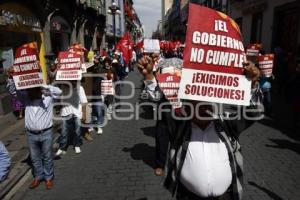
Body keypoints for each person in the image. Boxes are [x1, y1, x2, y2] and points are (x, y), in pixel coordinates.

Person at [137, 57, 262, 200]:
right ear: (187, 107)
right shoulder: (180, 127)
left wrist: (251, 85)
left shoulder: (226, 124)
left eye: (207, 102)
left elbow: (254, 112)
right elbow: (163, 102)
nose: (204, 106)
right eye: (196, 102)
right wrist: (149, 77)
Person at [19, 85, 62, 189]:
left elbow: (59, 91)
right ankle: (38, 176)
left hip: (46, 133)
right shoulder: (26, 99)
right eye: (30, 90)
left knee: (47, 157)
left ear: (40, 90)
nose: (31, 92)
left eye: (34, 90)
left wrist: (43, 85)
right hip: (31, 134)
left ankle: (48, 178)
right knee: (34, 157)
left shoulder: (48, 98)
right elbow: (17, 91)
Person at [56, 81, 88, 155]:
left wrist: (85, 114)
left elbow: (84, 102)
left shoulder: (80, 88)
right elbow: (59, 99)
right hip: (65, 112)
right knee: (64, 132)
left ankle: (77, 145)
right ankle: (62, 147)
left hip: (77, 112)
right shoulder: (63, 87)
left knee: (77, 131)